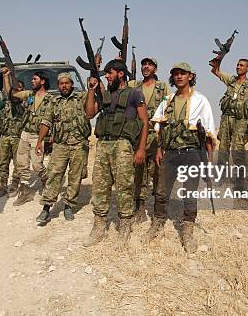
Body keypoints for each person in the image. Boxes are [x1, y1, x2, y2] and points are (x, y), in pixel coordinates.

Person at [147, 62, 216, 253]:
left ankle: (187, 229)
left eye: (183, 74)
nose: (179, 77)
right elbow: (159, 127)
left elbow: (209, 133)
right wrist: (160, 150)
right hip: (170, 153)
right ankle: (158, 222)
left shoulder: (201, 100)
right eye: (176, 74)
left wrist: (209, 163)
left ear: (190, 76)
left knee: (190, 193)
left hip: (191, 154)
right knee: (161, 191)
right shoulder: (167, 100)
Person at [83, 60, 149, 246]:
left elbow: (144, 121)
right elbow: (89, 114)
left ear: (121, 74)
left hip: (122, 145)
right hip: (103, 144)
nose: (106, 76)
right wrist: (91, 90)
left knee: (124, 186)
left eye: (109, 73)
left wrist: (141, 149)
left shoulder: (134, 93)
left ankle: (125, 225)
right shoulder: (105, 94)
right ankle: (99, 226)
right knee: (100, 186)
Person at [35, 73, 91, 225]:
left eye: (67, 83)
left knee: (75, 177)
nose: (64, 86)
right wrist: (40, 141)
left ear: (72, 84)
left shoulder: (81, 97)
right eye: (61, 83)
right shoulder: (54, 101)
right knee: (53, 174)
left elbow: (93, 104)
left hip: (79, 144)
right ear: (58, 85)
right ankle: (46, 208)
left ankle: (68, 206)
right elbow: (46, 122)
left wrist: (94, 73)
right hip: (60, 145)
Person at [127, 57, 171, 222]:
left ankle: (158, 208)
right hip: (138, 135)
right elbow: (120, 84)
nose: (146, 66)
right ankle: (140, 207)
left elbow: (168, 108)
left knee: (158, 172)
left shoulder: (162, 87)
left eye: (150, 64)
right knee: (139, 172)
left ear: (155, 69)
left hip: (157, 134)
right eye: (144, 64)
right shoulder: (133, 86)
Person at [5, 70, 53, 206]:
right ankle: (25, 193)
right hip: (25, 133)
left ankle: (47, 182)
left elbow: (49, 121)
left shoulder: (50, 99)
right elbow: (12, 94)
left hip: (38, 136)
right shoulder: (29, 95)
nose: (32, 81)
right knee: (21, 164)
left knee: (37, 165)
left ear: (42, 82)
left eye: (34, 79)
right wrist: (6, 77)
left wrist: (40, 141)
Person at [210, 58, 248, 189]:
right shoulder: (230, 79)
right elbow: (215, 71)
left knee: (238, 150)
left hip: (240, 120)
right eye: (237, 64)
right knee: (223, 149)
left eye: (241, 65)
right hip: (226, 118)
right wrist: (218, 61)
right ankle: (221, 178)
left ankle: (240, 182)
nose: (238, 67)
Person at [0, 70, 26, 198]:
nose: (17, 91)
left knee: (18, 163)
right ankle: (3, 186)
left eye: (20, 89)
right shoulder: (7, 102)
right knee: (4, 162)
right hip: (5, 136)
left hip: (18, 137)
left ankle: (14, 185)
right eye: (15, 89)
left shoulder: (25, 102)